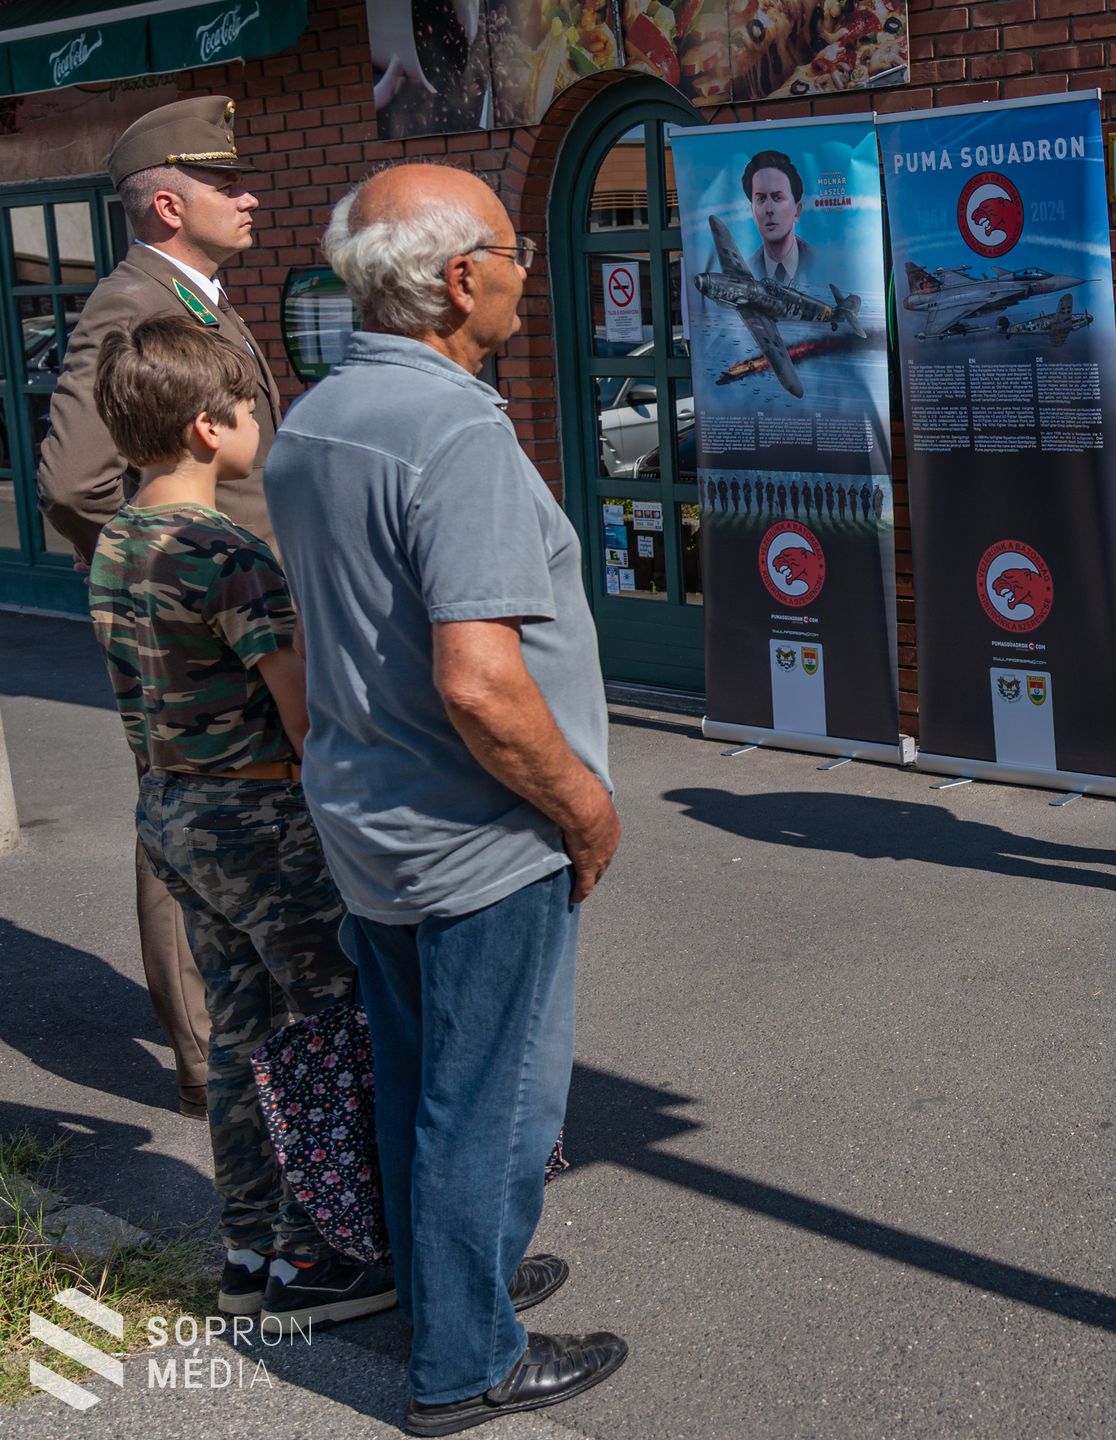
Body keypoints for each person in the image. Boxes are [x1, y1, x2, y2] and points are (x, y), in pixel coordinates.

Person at [265, 163, 627, 1434]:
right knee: (492, 1104)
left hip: (370, 814)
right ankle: (467, 1362)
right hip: (475, 830)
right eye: (516, 252)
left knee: (419, 1082)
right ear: (462, 279)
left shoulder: (317, 416)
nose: (529, 274)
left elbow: (323, 631)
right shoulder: (454, 430)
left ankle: (451, 1290)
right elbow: (480, 681)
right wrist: (584, 806)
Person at [84, 316, 394, 1333]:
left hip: (173, 809)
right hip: (261, 818)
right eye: (252, 408)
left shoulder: (118, 542)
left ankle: (250, 1248)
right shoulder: (227, 553)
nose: (264, 421)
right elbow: (302, 714)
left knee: (240, 1030)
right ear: (208, 428)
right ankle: (322, 1256)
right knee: (324, 1027)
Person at [36, 95, 283, 1119]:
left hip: (240, 609)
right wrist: (165, 567)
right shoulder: (131, 300)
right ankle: (207, 1057)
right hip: (201, 620)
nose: (249, 195)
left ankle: (246, 1032)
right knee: (184, 818)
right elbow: (71, 479)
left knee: (229, 813)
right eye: (226, 182)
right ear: (169, 204)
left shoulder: (195, 294)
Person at [741, 149, 817, 286]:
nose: (769, 210)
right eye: (761, 199)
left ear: (797, 210)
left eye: (777, 197)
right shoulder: (745, 276)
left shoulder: (820, 264)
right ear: (752, 211)